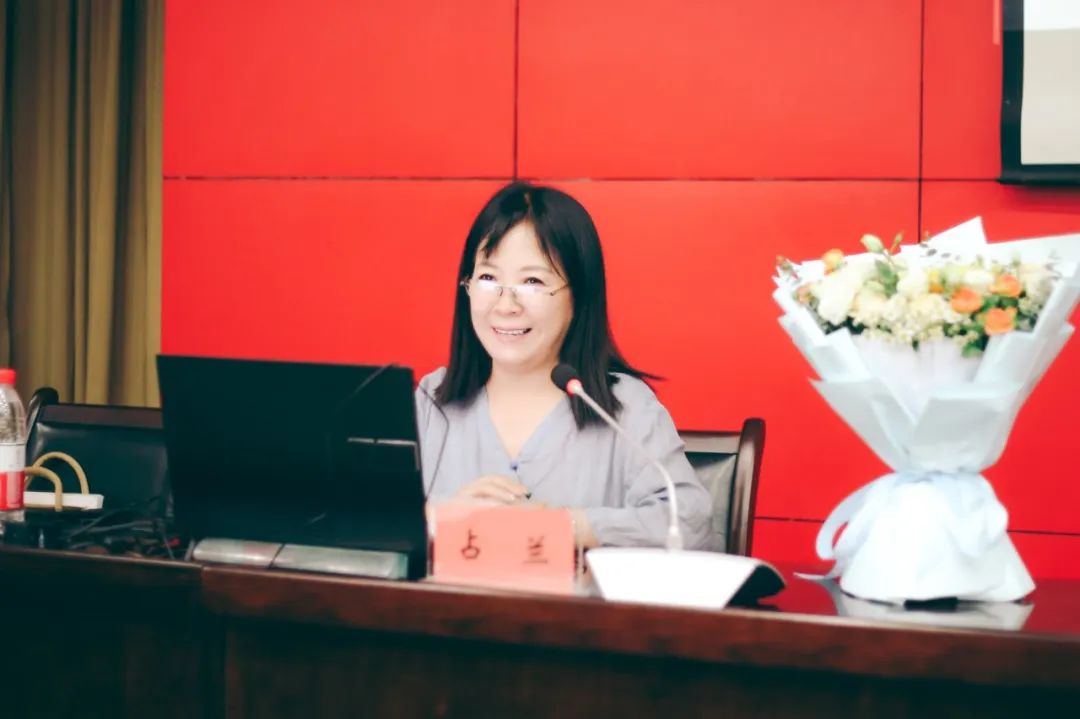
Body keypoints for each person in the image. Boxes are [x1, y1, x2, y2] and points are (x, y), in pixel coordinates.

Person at [415, 182, 714, 550]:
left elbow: (692, 524)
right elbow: (366, 521)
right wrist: (439, 517)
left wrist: (564, 526)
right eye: (489, 279)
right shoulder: (431, 400)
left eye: (533, 282)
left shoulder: (622, 407)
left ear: (579, 296)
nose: (506, 305)